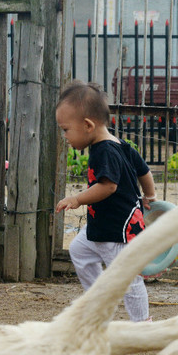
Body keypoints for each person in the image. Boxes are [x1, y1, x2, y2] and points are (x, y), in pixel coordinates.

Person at [55, 81, 157, 322]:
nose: (65, 137)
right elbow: (144, 171)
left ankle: (143, 326)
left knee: (129, 279)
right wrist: (150, 195)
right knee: (79, 250)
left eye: (66, 130)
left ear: (88, 125)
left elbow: (108, 186)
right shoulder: (121, 145)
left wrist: (77, 199)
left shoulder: (104, 151)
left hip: (117, 231)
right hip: (102, 227)